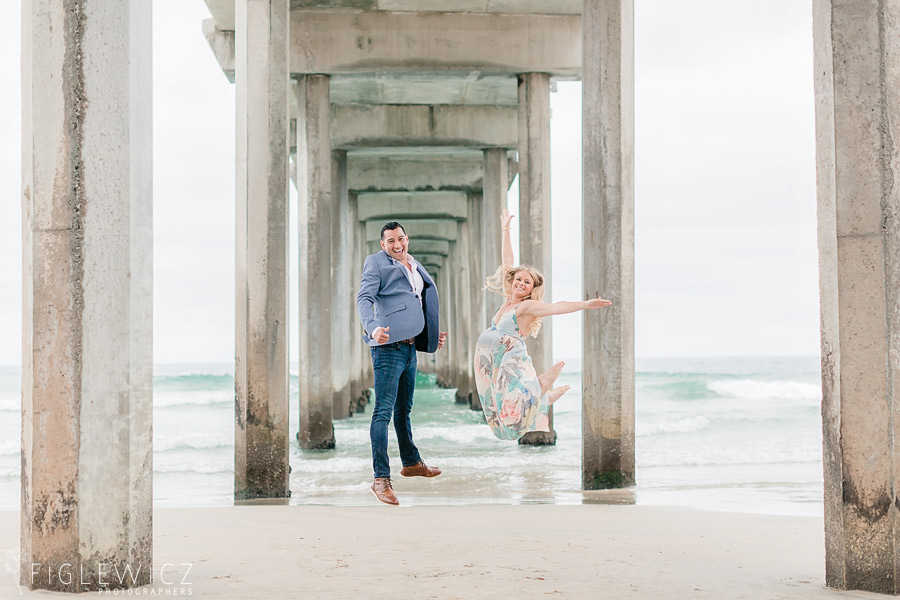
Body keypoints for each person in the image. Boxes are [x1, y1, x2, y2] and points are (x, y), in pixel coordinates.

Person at [474, 210, 612, 441]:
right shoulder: (508, 301)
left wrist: (587, 304)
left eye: (527, 282)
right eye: (518, 279)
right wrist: (506, 229)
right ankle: (544, 398)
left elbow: (557, 307)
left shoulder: (527, 308)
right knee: (499, 410)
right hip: (493, 362)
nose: (520, 282)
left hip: (510, 360)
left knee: (511, 406)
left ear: (531, 289)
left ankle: (544, 383)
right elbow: (507, 263)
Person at [357, 221, 448, 505]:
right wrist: (372, 328)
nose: (397, 245)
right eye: (390, 242)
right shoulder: (375, 263)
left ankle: (410, 463)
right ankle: (380, 479)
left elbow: (416, 301)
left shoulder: (414, 264)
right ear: (382, 245)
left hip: (410, 348)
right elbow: (364, 298)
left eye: (401, 239)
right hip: (387, 347)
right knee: (382, 412)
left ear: (407, 239)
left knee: (403, 411)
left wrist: (431, 335)